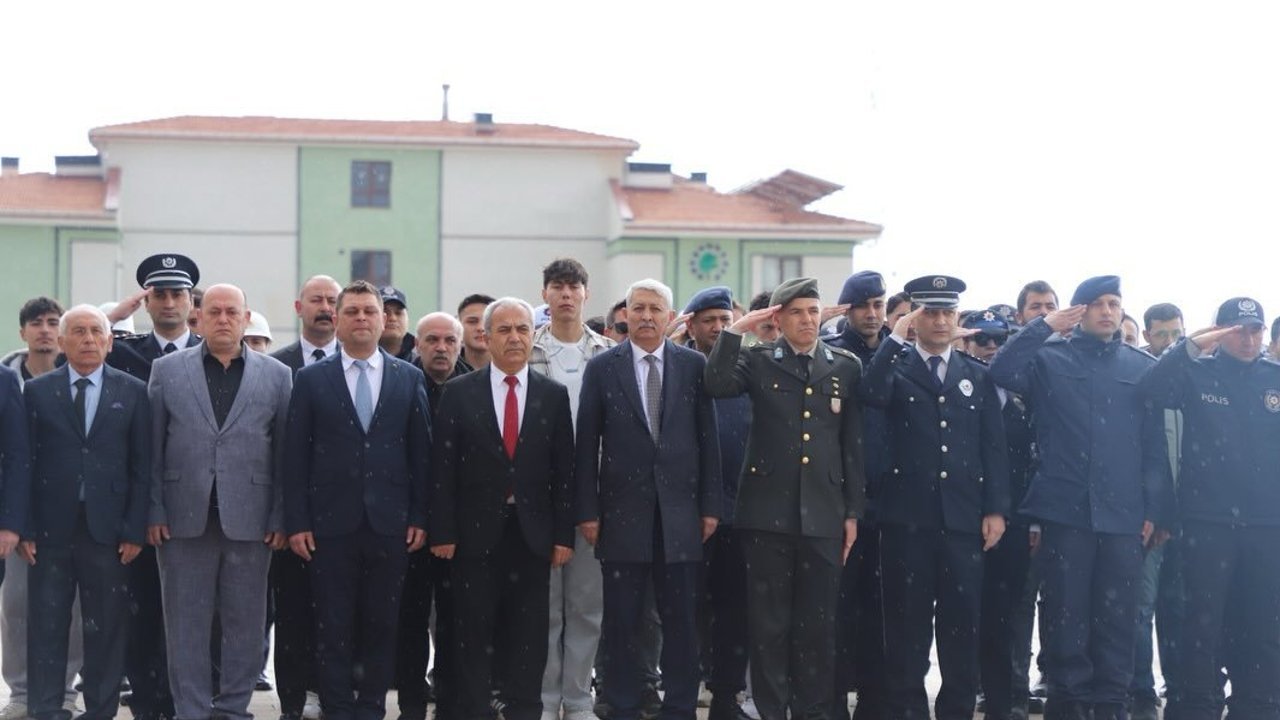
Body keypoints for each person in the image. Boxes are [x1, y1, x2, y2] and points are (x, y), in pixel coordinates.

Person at [989, 275, 1173, 720]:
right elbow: (1001, 371)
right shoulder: (1049, 358)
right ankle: (1068, 706)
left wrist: (1157, 509)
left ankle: (1112, 707)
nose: (1107, 311)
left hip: (1122, 516)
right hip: (1066, 513)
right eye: (1096, 304)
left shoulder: (1139, 365)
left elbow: (1153, 446)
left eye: (1114, 303)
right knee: (1066, 621)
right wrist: (1045, 326)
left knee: (1118, 623)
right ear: (1078, 312)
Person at [705, 277, 865, 720]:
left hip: (825, 515)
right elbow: (716, 384)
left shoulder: (844, 365)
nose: (807, 320)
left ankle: (812, 712)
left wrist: (853, 511)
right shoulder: (758, 361)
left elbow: (851, 445)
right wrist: (736, 331)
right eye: (796, 312)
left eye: (813, 311)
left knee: (817, 627)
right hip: (766, 515)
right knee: (769, 627)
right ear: (778, 318)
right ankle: (772, 711)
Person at [857, 276, 1009, 720]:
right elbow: (869, 394)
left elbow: (992, 448)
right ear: (914, 317)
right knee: (906, 629)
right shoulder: (895, 367)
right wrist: (894, 339)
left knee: (961, 628)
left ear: (958, 318)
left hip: (963, 521)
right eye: (930, 312)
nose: (940, 321)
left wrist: (996, 508)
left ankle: (956, 712)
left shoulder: (975, 376)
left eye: (948, 313)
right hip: (907, 520)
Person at [284, 280, 431, 720]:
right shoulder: (311, 380)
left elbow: (421, 454)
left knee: (382, 625)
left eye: (370, 311)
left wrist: (420, 514)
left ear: (385, 320)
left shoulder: (410, 376)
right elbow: (295, 456)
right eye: (353, 312)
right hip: (329, 526)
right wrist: (297, 521)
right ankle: (338, 708)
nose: (362, 318)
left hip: (391, 525)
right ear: (339, 320)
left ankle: (371, 710)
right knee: (333, 626)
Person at [576, 278, 722, 720]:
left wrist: (711, 506)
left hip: (681, 516)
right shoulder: (604, 368)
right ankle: (621, 703)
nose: (645, 316)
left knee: (680, 620)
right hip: (621, 515)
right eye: (637, 308)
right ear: (625, 315)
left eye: (655, 308)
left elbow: (707, 439)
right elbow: (587, 446)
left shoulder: (693, 365)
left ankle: (678, 706)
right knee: (623, 620)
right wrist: (587, 510)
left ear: (670, 316)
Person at [147, 284, 293, 720]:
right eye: (215, 312)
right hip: (182, 517)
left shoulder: (277, 374)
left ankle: (232, 708)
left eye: (233, 312)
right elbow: (152, 448)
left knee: (244, 625)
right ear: (199, 317)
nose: (224, 319)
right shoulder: (167, 370)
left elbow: (284, 453)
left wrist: (280, 515)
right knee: (185, 624)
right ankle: (190, 710)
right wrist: (153, 509)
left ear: (247, 319)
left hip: (251, 520)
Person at [430, 296, 576, 720]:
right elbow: (443, 470)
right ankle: (475, 710)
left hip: (531, 536)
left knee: (529, 635)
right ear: (486, 337)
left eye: (523, 329)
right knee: (472, 632)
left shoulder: (552, 396)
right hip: (473, 535)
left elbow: (563, 472)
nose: (515, 338)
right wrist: (443, 532)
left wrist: (563, 535)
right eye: (505, 330)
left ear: (534, 336)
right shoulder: (459, 394)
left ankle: (525, 710)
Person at [1139, 297, 1280, 720]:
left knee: (1263, 626)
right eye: (1238, 330)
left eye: (1255, 330)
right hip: (1207, 524)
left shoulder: (1275, 379)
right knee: (1201, 626)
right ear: (1220, 332)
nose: (1249, 338)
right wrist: (1193, 346)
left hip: (1266, 526)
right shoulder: (1195, 374)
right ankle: (1195, 708)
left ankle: (1257, 708)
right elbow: (1151, 388)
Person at [23, 305, 149, 720]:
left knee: (107, 627)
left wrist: (134, 529)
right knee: (47, 625)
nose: (89, 339)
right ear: (62, 342)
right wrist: (23, 527)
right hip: (49, 530)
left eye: (97, 331)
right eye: (78, 331)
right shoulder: (39, 392)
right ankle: (45, 708)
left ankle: (100, 709)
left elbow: (141, 466)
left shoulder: (132, 391)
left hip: (109, 531)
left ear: (110, 342)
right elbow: (24, 463)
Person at [106, 253, 202, 720]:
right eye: (158, 294)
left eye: (177, 294)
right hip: (139, 502)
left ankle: (189, 704)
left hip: (201, 503)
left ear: (191, 302)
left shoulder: (214, 351)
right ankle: (147, 703)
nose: (168, 303)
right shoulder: (123, 351)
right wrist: (115, 315)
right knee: (141, 611)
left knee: (196, 615)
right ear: (147, 303)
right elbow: (72, 343)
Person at [528, 259, 613, 720]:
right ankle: (544, 699)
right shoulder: (528, 349)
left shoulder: (606, 353)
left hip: (594, 493)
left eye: (573, 286)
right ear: (545, 293)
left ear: (586, 293)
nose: (565, 294)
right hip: (541, 494)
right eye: (557, 286)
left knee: (585, 604)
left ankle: (578, 699)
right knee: (545, 607)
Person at [1, 297, 83, 720]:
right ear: (23, 333)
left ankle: (64, 688)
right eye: (37, 323)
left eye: (54, 322)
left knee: (71, 607)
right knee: (17, 604)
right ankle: (21, 689)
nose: (46, 330)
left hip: (71, 510)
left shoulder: (83, 378)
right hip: (19, 510)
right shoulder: (6, 380)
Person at [269, 274, 342, 720]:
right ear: (299, 307)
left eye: (333, 300)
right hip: (293, 512)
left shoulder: (362, 364)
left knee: (337, 613)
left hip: (346, 513)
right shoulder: (278, 368)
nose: (326, 307)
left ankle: (330, 693)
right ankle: (294, 701)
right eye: (316, 299)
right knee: (293, 613)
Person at [681, 287, 752, 720]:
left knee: (735, 613)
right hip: (686, 513)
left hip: (738, 512)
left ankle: (727, 699)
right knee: (686, 612)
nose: (719, 328)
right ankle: (683, 697)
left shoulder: (749, 369)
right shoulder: (679, 368)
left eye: (726, 320)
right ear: (691, 325)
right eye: (709, 320)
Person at [825, 271, 890, 720]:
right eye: (863, 305)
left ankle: (874, 702)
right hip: (839, 499)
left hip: (889, 500)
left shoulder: (899, 348)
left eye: (879, 305)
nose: (872, 314)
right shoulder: (831, 353)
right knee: (836, 609)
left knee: (882, 612)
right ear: (847, 309)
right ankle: (831, 705)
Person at [398, 312, 469, 720]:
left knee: (455, 623)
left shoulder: (474, 386)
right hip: (410, 526)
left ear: (460, 344)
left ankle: (450, 704)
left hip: (461, 528)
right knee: (410, 622)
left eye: (448, 340)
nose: (441, 348)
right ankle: (411, 705)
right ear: (417, 344)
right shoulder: (401, 383)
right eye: (432, 340)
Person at [1130, 302, 1186, 720]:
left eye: (1176, 335)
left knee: (1183, 609)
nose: (1169, 343)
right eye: (1161, 334)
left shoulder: (1197, 383)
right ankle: (1141, 693)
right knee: (1140, 609)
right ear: (1147, 336)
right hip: (1149, 520)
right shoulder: (1140, 386)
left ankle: (1184, 687)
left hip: (1198, 521)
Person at [458, 294, 496, 370]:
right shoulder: (446, 371)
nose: (481, 328)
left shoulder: (517, 371)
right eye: (472, 321)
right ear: (459, 326)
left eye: (487, 322)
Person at [378, 287, 415, 361]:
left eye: (398, 313)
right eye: (385, 312)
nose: (393, 318)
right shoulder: (359, 361)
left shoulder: (422, 363)